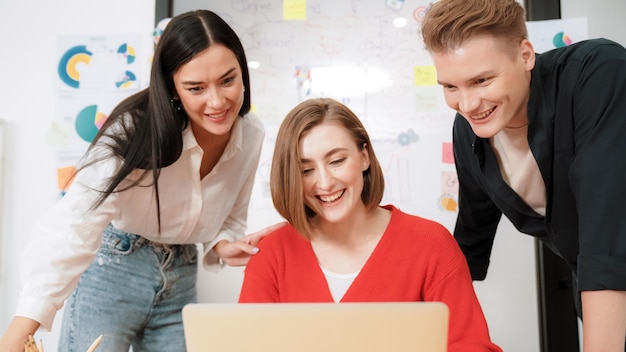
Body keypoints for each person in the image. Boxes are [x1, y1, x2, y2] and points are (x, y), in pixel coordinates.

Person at [0, 9, 279, 352]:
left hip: (181, 275)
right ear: (172, 86)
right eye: (196, 88)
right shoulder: (133, 129)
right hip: (112, 270)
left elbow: (231, 215)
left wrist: (223, 245)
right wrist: (19, 331)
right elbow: (74, 224)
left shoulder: (251, 133)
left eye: (227, 80)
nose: (218, 101)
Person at [420, 0, 626, 350]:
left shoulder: (596, 72)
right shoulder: (468, 130)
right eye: (450, 87)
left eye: (482, 80)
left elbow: (604, 233)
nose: (467, 105)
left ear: (526, 55)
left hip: (610, 274)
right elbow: (471, 238)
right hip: (599, 296)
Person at [238, 98, 502, 352]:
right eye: (306, 170)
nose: (325, 183)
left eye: (337, 161)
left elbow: (469, 345)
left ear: (364, 157)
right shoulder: (271, 255)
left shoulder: (431, 244)